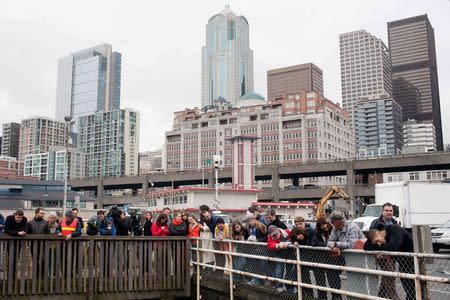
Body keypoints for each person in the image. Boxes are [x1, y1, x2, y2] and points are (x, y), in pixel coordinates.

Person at [365, 225, 415, 300]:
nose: (379, 244)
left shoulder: (395, 230)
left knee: (415, 290)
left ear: (379, 234)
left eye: (378, 241)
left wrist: (380, 249)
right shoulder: (381, 237)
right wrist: (377, 245)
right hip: (403, 264)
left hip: (415, 263)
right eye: (377, 243)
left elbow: (393, 246)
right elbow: (366, 247)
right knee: (409, 290)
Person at [311, 218, 342, 300]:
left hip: (333, 261)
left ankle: (336, 298)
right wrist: (326, 245)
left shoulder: (335, 232)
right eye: (322, 225)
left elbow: (340, 242)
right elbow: (314, 243)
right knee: (320, 283)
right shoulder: (319, 234)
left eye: (325, 224)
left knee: (334, 282)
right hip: (320, 261)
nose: (324, 226)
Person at [267, 225, 294, 292]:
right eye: (273, 235)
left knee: (290, 271)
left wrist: (289, 244)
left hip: (290, 254)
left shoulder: (288, 232)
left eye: (276, 233)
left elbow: (295, 239)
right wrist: (278, 245)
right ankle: (279, 286)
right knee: (279, 270)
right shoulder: (270, 237)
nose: (275, 235)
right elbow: (269, 244)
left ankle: (289, 288)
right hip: (279, 254)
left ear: (278, 230)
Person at [290, 226, 314, 298]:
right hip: (300, 257)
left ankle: (309, 293)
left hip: (309, 256)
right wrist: (294, 241)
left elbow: (312, 243)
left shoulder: (309, 233)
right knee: (297, 274)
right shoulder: (294, 236)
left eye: (298, 235)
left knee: (306, 276)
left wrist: (303, 240)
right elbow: (292, 240)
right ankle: (300, 291)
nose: (297, 237)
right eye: (296, 236)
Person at [245, 215, 267, 285]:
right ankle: (256, 280)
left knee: (259, 265)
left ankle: (260, 281)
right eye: (249, 221)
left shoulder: (261, 226)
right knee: (254, 265)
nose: (250, 222)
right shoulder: (249, 229)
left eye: (251, 220)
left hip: (260, 248)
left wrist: (257, 240)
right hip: (253, 249)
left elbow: (265, 237)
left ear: (254, 219)